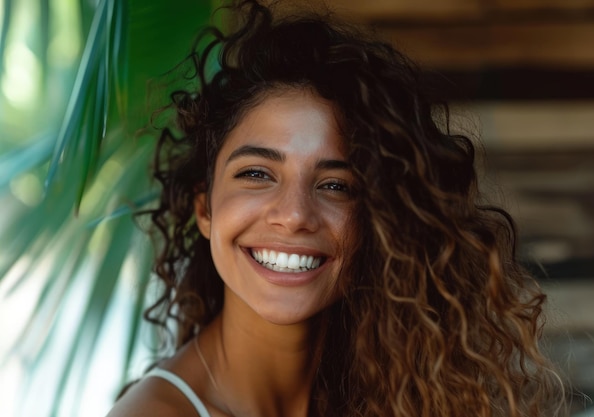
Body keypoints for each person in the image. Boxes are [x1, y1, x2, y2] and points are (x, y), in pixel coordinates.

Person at [106, 1, 568, 416]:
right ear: (205, 209)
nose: (293, 214)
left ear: (382, 222)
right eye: (257, 174)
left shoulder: (396, 391)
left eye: (335, 185)